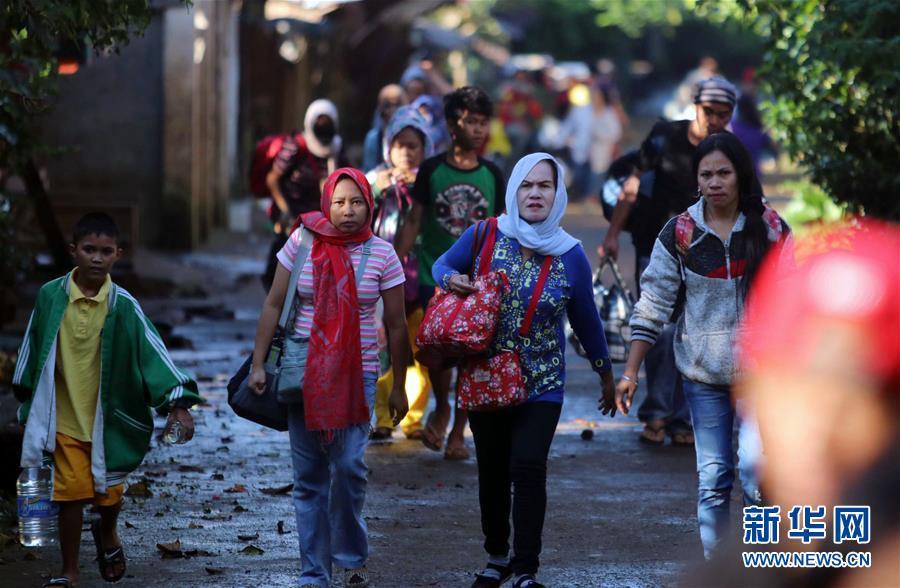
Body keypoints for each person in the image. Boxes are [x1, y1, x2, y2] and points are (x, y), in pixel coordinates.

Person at [433, 153, 617, 588]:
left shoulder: (571, 254)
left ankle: (525, 567)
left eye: (545, 186)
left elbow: (587, 319)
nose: (535, 193)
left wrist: (606, 373)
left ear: (558, 194)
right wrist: (450, 282)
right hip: (487, 379)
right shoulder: (485, 234)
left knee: (529, 467)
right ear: (514, 191)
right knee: (492, 470)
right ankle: (496, 556)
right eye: (527, 186)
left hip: (543, 383)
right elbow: (442, 265)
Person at [615, 133, 791, 559]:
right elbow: (653, 302)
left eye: (724, 173)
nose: (715, 182)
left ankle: (761, 569)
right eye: (706, 174)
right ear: (697, 180)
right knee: (713, 479)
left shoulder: (770, 228)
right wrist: (629, 372)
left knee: (757, 476)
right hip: (701, 375)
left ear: (740, 175)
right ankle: (719, 574)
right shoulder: (681, 232)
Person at [12, 213, 201, 587]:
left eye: (105, 251)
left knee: (107, 496)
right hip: (62, 417)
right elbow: (31, 347)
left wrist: (178, 402)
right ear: (73, 252)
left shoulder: (124, 306)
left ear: (118, 255)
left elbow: (153, 353)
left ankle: (108, 533)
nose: (96, 258)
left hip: (109, 421)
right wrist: (26, 399)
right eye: (88, 250)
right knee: (69, 497)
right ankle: (70, 571)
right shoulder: (51, 296)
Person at [249, 168, 410, 588]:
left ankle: (350, 552)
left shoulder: (382, 254)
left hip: (358, 376)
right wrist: (258, 363)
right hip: (302, 373)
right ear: (327, 204)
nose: (348, 210)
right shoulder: (301, 241)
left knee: (351, 467)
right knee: (309, 479)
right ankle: (314, 572)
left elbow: (396, 326)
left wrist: (399, 385)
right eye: (339, 202)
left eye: (357, 202)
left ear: (370, 207)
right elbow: (273, 304)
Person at [602, 76, 741, 446]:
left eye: (723, 114)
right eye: (709, 111)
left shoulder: (730, 148)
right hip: (656, 245)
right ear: (695, 106)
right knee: (659, 331)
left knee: (693, 329)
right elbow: (631, 187)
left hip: (705, 253)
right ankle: (657, 413)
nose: (715, 119)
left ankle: (681, 419)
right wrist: (613, 234)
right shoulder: (665, 136)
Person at [395, 86, 506, 460]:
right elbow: (414, 219)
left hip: (480, 282)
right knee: (439, 350)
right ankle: (441, 405)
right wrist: (392, 265)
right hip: (433, 275)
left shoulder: (493, 174)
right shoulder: (431, 170)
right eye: (470, 121)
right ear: (452, 124)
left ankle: (459, 428)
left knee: (474, 355)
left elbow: (503, 227)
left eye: (482, 123)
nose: (477, 129)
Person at [366, 106, 433, 440]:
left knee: (421, 353)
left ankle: (414, 419)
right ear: (388, 148)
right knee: (384, 351)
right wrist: (378, 187)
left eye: (414, 145)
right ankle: (382, 418)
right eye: (400, 145)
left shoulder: (432, 183)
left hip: (420, 280)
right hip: (381, 281)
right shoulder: (372, 182)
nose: (406, 152)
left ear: (425, 149)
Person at [262, 98, 349, 290]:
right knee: (283, 270)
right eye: (319, 123)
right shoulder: (296, 146)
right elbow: (273, 178)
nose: (323, 129)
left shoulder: (337, 149)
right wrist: (285, 211)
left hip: (324, 223)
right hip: (294, 219)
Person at [362, 84, 406, 173]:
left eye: (397, 105)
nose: (392, 110)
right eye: (387, 105)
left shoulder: (416, 134)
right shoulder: (373, 138)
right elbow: (369, 171)